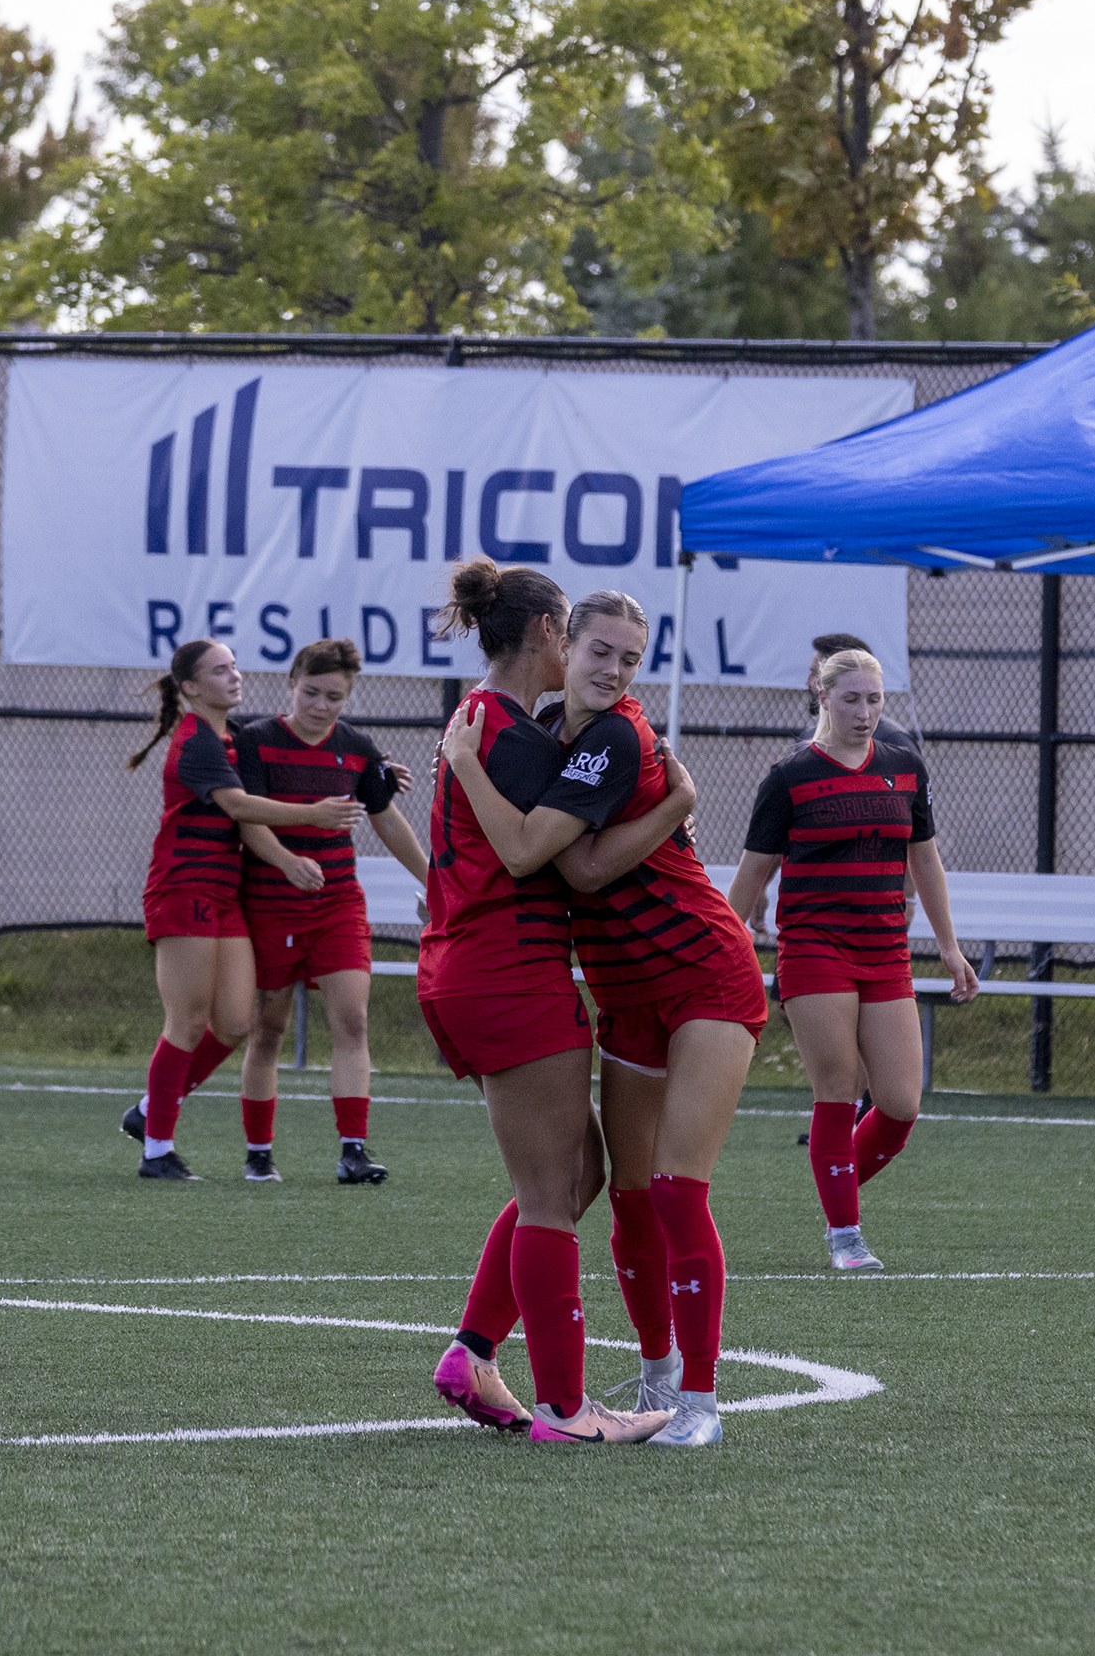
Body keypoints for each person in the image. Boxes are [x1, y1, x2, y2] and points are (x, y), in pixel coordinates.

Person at [420, 558, 690, 1444]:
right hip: (511, 970)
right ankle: (566, 1410)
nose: (604, 663)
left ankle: (472, 1353)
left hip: (474, 966)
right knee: (550, 1193)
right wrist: (673, 797)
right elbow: (543, 854)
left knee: (579, 1176)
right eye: (582, 634)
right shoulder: (520, 741)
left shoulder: (486, 720)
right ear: (549, 635)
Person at [535, 589, 768, 1449]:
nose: (614, 670)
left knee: (674, 1188)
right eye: (601, 651)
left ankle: (702, 1402)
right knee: (630, 1197)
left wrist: (673, 807)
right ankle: (660, 1376)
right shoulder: (543, 734)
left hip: (707, 974)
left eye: (631, 659)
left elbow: (586, 873)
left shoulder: (621, 736)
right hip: (626, 992)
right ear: (563, 645)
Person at [728, 645, 980, 1271]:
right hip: (814, 949)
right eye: (851, 699)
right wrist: (726, 948)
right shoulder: (788, 777)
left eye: (874, 700)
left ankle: (833, 1184)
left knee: (900, 1103)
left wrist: (949, 948)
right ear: (821, 694)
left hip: (886, 951)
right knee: (837, 1088)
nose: (864, 712)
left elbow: (925, 861)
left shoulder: (906, 768)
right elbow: (753, 874)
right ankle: (846, 1236)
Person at [119, 639, 366, 1182]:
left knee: (233, 1023)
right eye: (219, 670)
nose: (234, 676)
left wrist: (374, 769)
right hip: (183, 888)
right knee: (185, 1021)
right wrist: (314, 816)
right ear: (189, 687)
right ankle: (157, 1149)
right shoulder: (196, 740)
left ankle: (148, 1110)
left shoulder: (229, 738)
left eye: (234, 666)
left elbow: (299, 756)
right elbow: (236, 805)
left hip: (223, 893)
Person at [228, 639, 428, 1184]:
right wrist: (287, 860)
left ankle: (353, 1151)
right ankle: (259, 1153)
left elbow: (386, 820)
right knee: (266, 1029)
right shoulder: (256, 741)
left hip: (338, 904)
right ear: (291, 683)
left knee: (353, 1020)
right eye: (312, 691)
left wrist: (435, 879)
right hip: (270, 906)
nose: (320, 705)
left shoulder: (359, 749)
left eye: (334, 696)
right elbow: (247, 818)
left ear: (349, 696)